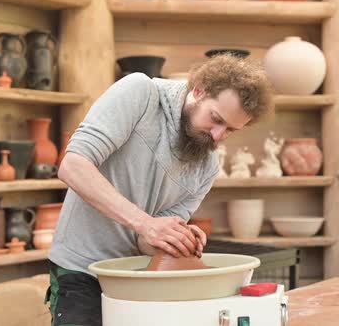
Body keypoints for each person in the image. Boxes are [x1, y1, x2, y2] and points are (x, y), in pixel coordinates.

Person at [45, 54, 273, 326]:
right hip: (80, 270)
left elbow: (145, 241)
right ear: (198, 90)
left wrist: (175, 236)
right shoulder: (140, 93)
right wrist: (146, 223)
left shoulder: (207, 167)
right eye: (215, 119)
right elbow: (72, 166)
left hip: (137, 277)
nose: (217, 136)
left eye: (230, 130)